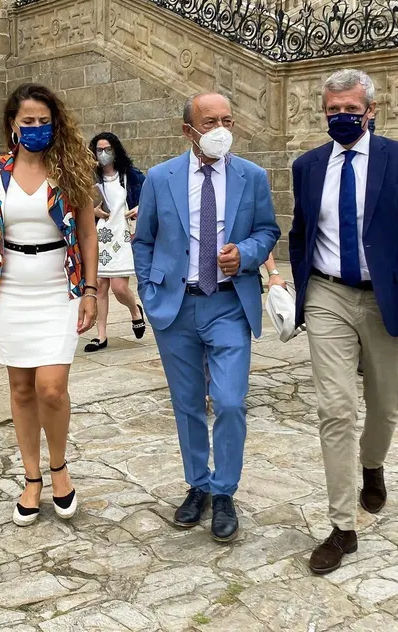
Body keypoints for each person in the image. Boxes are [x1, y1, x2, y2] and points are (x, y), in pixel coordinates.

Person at [289, 69, 398, 575]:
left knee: (386, 405)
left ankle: (372, 464)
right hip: (329, 295)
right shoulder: (308, 166)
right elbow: (301, 233)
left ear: (371, 110)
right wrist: (301, 291)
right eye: (333, 111)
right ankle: (341, 526)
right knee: (335, 409)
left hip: (386, 301)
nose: (342, 118)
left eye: (351, 110)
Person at [132, 93, 280, 543]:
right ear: (188, 130)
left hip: (229, 304)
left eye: (227, 120)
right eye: (210, 121)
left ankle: (225, 490)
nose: (221, 129)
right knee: (188, 403)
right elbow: (145, 239)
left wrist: (248, 255)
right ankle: (198, 484)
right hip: (176, 306)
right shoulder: (161, 177)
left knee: (231, 401)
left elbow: (267, 229)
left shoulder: (251, 176)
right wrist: (148, 287)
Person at [0, 83, 99, 526]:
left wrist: (92, 290)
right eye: (29, 121)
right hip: (11, 288)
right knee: (21, 388)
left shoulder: (72, 168)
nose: (37, 128)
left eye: (44, 121)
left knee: (51, 388)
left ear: (54, 123)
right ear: (12, 125)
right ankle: (32, 477)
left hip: (60, 287)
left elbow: (86, 233)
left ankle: (59, 468)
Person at [85, 133, 147, 351]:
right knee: (100, 287)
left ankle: (135, 310)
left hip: (122, 236)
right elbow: (77, 205)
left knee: (120, 288)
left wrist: (140, 208)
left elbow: (149, 198)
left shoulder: (130, 175)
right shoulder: (89, 177)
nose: (103, 154)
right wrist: (91, 211)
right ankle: (101, 336)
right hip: (99, 236)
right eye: (99, 150)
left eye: (108, 149)